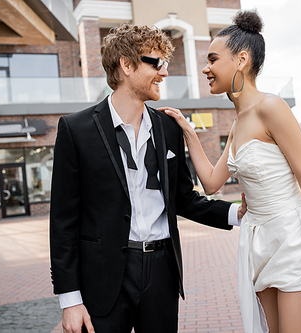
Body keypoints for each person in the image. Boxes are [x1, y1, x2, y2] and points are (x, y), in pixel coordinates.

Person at [49, 23, 245, 333]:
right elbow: (63, 221)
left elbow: (184, 198)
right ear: (126, 65)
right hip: (104, 279)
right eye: (156, 63)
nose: (165, 73)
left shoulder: (168, 128)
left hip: (162, 272)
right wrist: (70, 299)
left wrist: (237, 213)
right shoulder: (76, 130)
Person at [161, 10, 301, 333]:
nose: (206, 68)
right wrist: (188, 132)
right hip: (258, 245)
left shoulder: (271, 108)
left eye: (213, 59)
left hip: (292, 243)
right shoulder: (237, 124)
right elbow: (212, 183)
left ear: (241, 59)